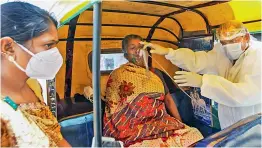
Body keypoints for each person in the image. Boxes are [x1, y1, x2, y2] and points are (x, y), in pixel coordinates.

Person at [141, 20, 262, 129]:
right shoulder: (222, 50)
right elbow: (198, 60)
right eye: (224, 42)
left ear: (246, 37)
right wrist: (170, 53)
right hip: (227, 124)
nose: (228, 46)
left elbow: (244, 95)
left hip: (252, 125)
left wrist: (203, 82)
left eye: (233, 41)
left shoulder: (258, 56)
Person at [103, 34, 203, 147]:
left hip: (160, 122)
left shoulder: (156, 73)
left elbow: (168, 99)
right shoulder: (118, 75)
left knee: (193, 134)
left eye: (140, 47)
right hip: (132, 128)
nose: (138, 51)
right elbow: (113, 106)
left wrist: (180, 123)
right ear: (126, 54)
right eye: (132, 48)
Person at [1, 2, 71, 147]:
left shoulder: (33, 85)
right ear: (8, 47)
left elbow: (56, 137)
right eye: (48, 45)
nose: (55, 54)